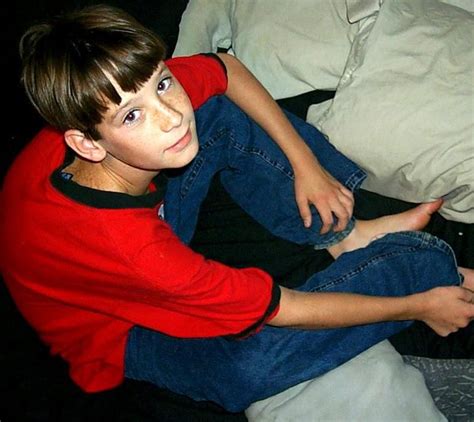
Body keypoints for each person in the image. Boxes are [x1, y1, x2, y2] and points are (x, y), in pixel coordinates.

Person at [1, 4, 473, 413]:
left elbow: (224, 68)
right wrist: (417, 302)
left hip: (137, 212)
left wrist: (307, 166)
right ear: (86, 143)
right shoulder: (135, 254)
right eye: (131, 115)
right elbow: (283, 309)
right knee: (245, 371)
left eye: (162, 85)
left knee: (217, 113)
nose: (170, 116)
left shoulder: (134, 93)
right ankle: (424, 267)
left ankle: (345, 234)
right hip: (112, 322)